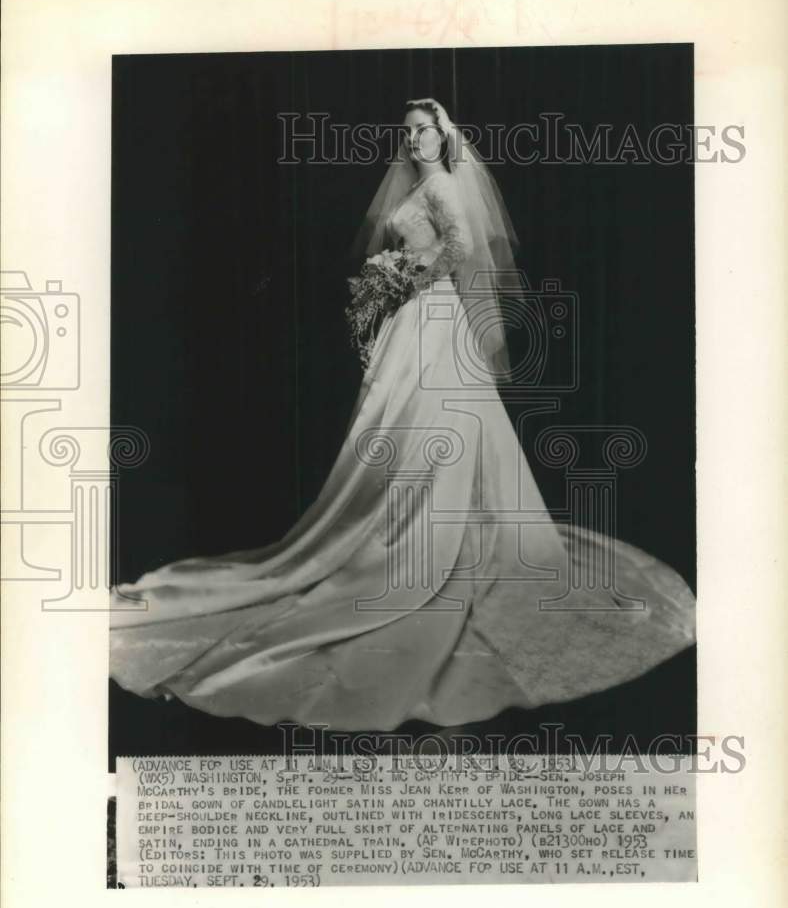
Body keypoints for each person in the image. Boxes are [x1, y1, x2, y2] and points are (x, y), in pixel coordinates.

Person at [110, 97, 696, 731]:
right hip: (413, 319)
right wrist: (389, 280)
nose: (415, 141)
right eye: (408, 133)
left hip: (433, 317)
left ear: (444, 136)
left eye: (424, 131)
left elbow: (461, 247)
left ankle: (436, 543)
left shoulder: (442, 186)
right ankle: (399, 532)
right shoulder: (418, 187)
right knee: (399, 432)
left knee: (432, 431)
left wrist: (403, 277)